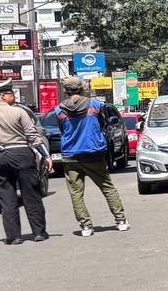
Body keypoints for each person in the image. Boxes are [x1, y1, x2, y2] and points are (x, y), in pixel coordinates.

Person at [0, 80, 51, 245]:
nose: (14, 96)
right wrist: (46, 155)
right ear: (3, 96)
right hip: (21, 154)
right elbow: (33, 136)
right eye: (11, 94)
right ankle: (39, 232)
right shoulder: (19, 112)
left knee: (6, 197)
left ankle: (14, 236)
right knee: (31, 194)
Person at [53, 76, 129, 238]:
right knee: (107, 187)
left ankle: (86, 226)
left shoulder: (59, 110)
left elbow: (62, 129)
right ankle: (120, 220)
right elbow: (102, 123)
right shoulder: (94, 104)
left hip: (71, 155)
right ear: (81, 89)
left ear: (65, 91)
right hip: (93, 152)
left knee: (76, 193)